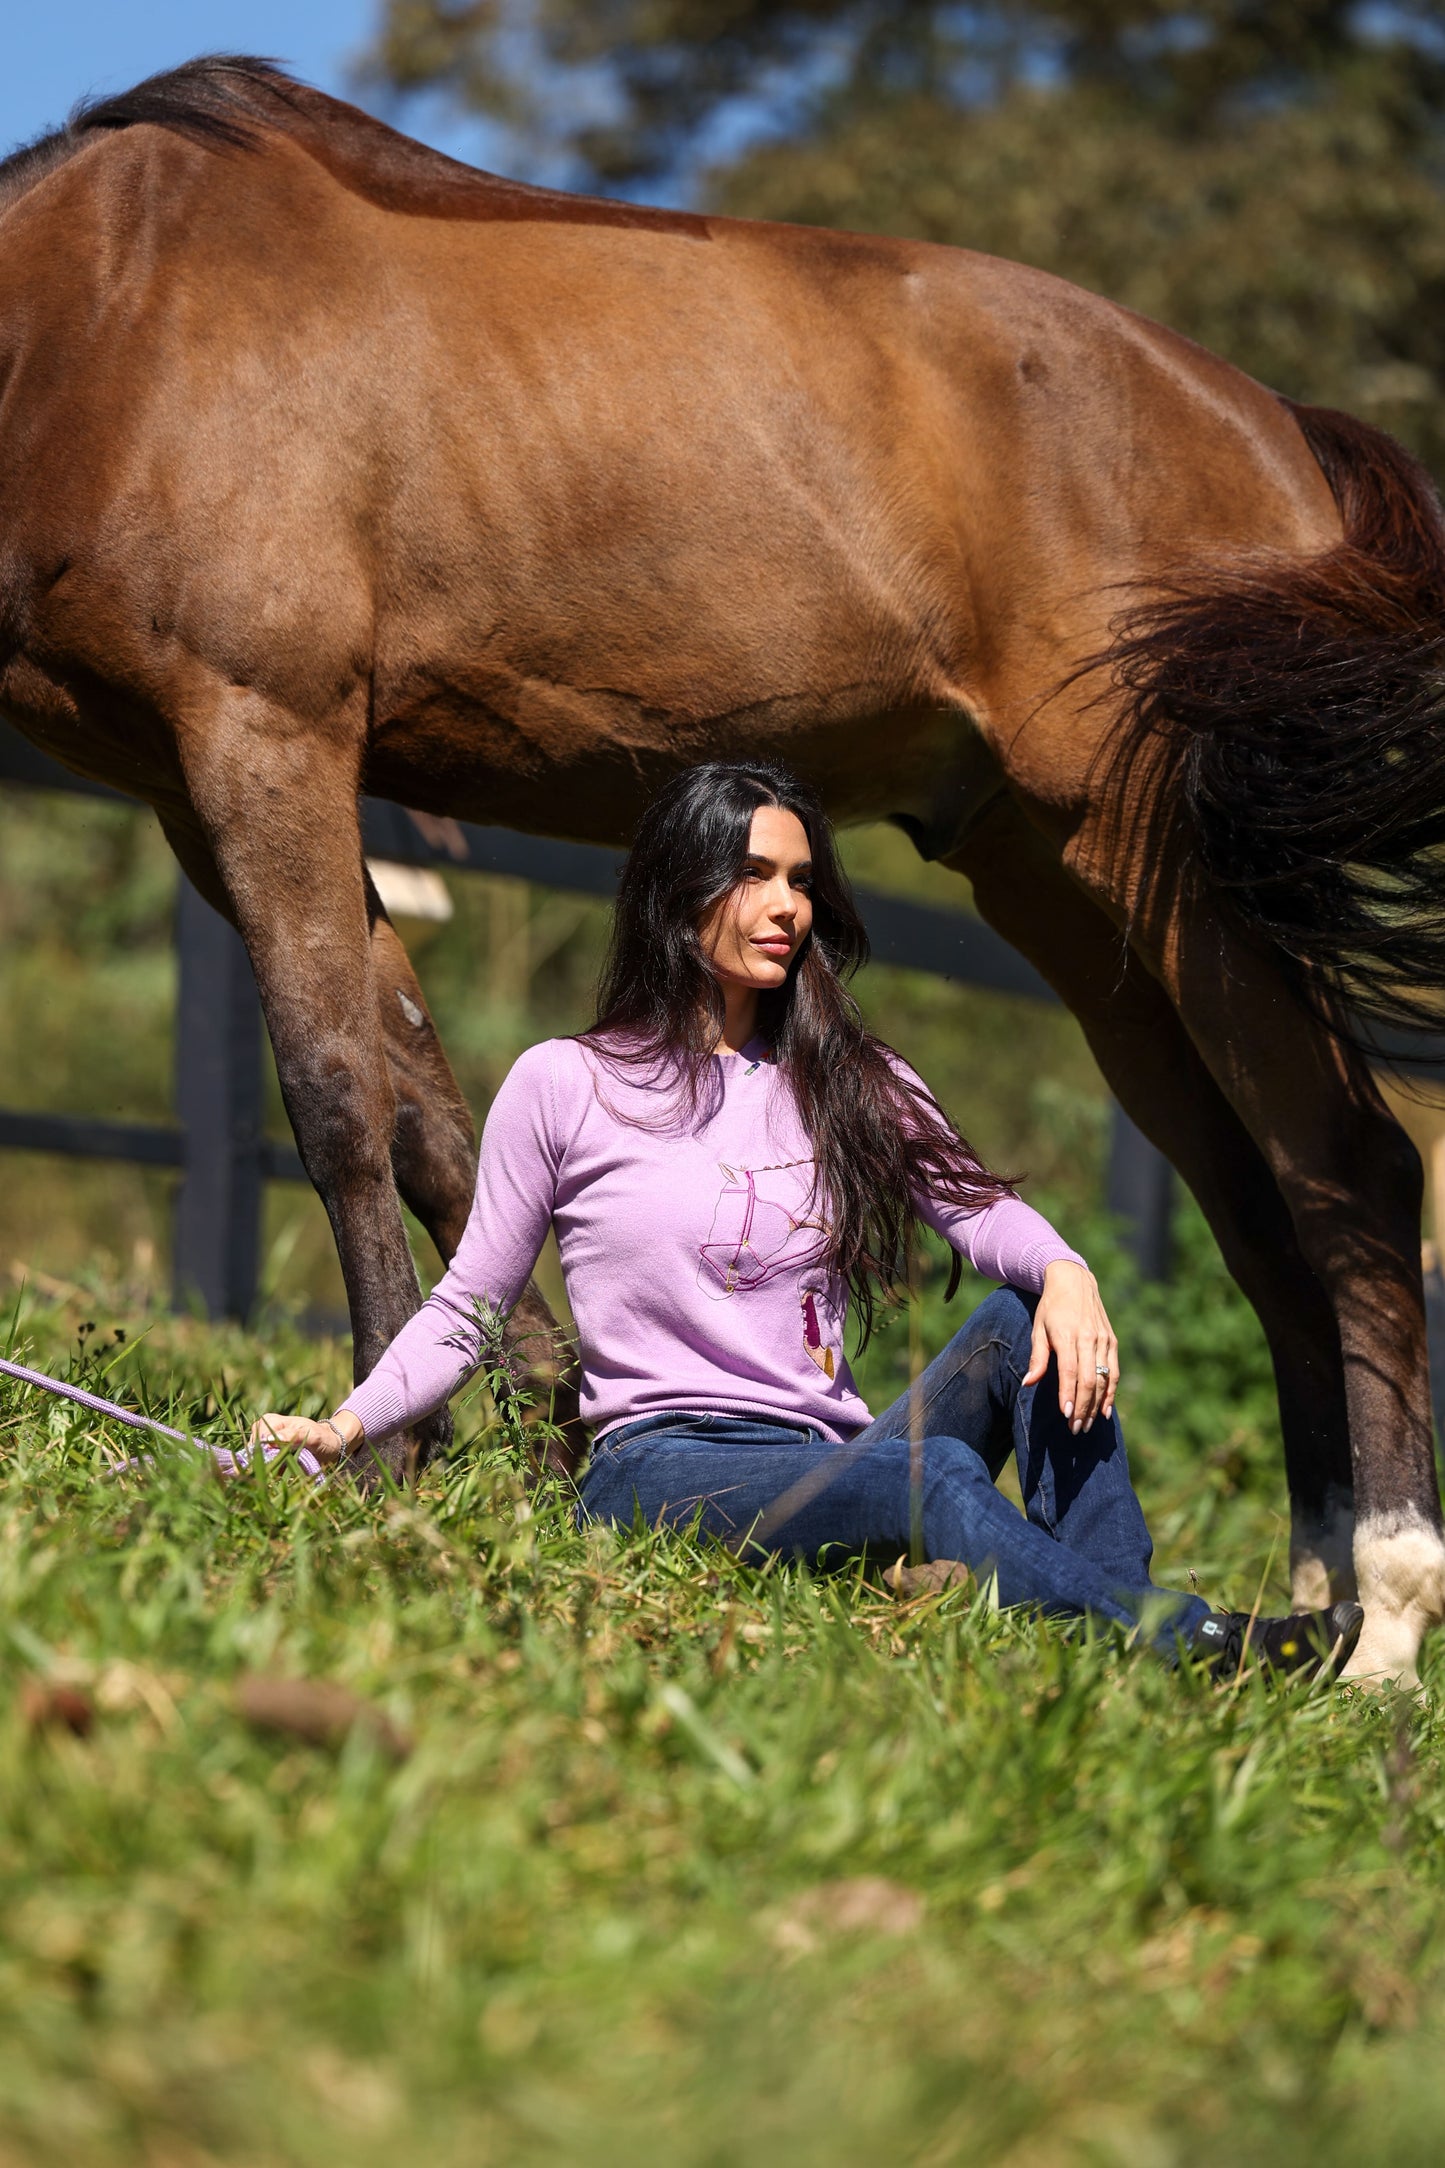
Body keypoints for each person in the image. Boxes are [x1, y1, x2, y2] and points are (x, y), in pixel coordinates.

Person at [253, 761, 1363, 1681]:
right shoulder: (564, 1082)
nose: (788, 904)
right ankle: (1187, 1640)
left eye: (798, 880)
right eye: (752, 875)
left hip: (829, 1455)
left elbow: (980, 1209)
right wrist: (345, 1428)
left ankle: (1118, 1622)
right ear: (679, 889)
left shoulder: (847, 1074)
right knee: (935, 1486)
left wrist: (1065, 1270)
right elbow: (466, 1306)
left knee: (1025, 1316)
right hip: (658, 1468)